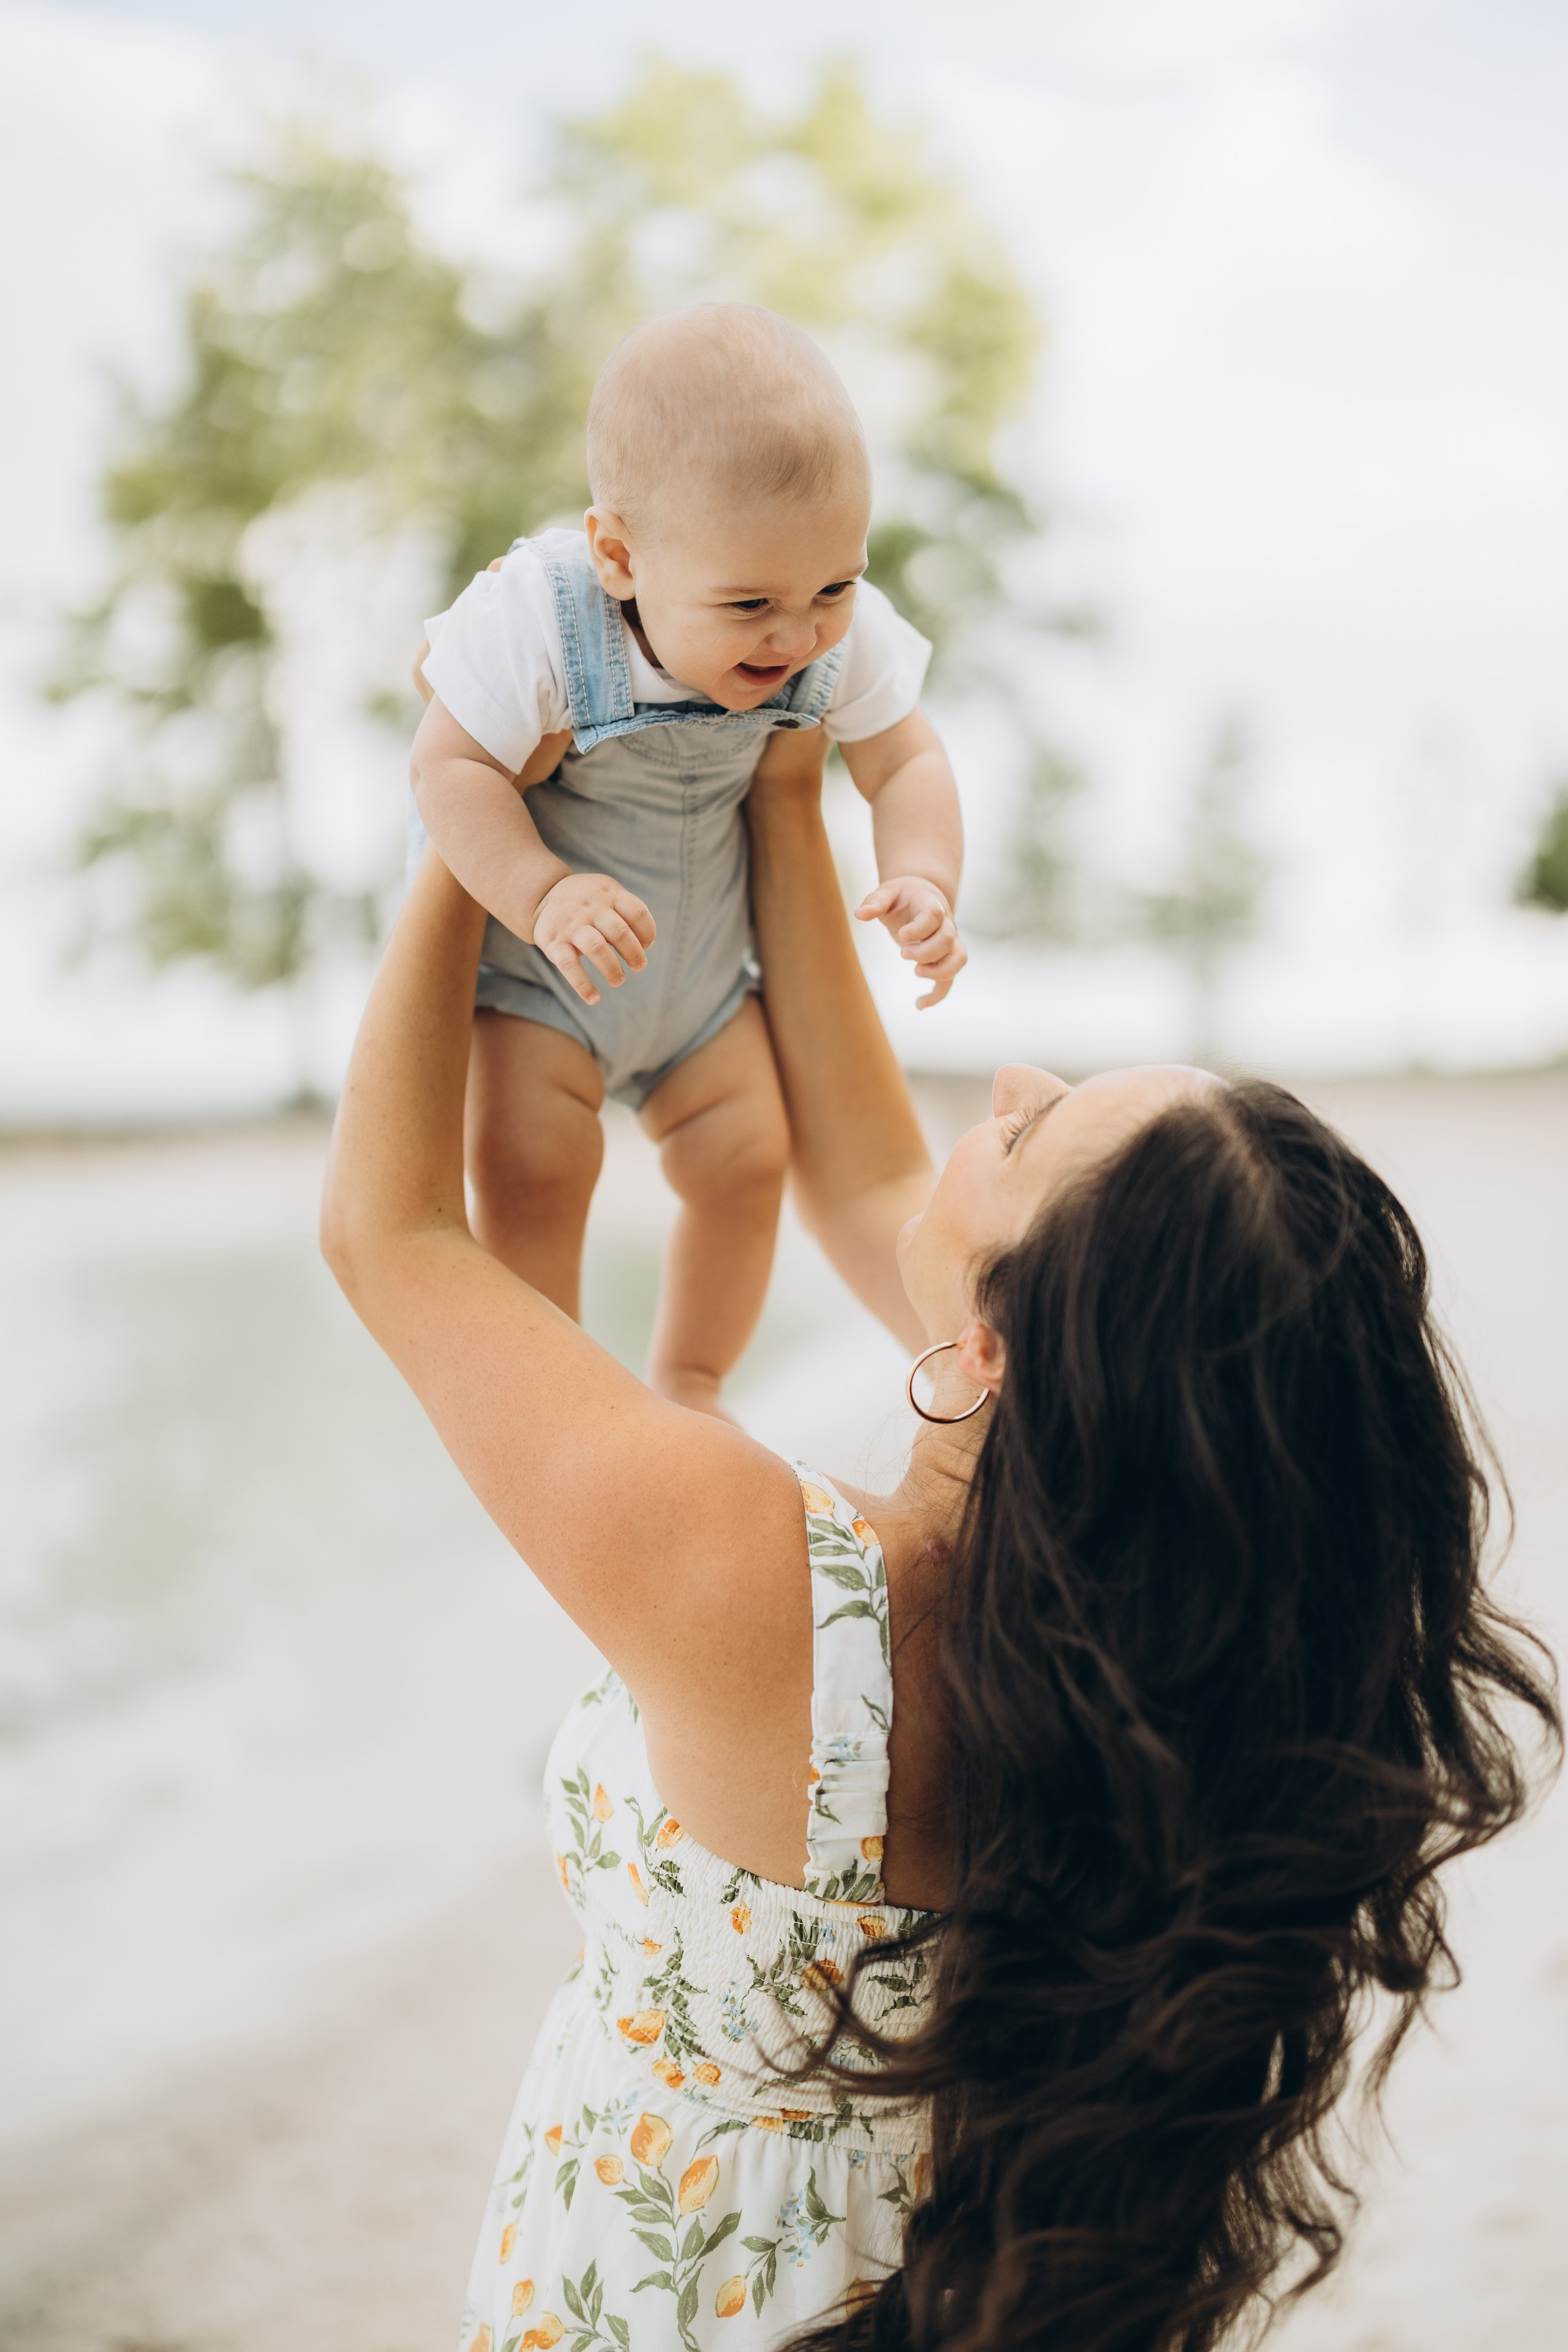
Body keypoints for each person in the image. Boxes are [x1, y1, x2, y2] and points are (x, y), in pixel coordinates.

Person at [320, 737, 1557, 2352]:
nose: (1012, 1084)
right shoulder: (1168, 1671)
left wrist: (466, 807)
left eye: (1036, 1136)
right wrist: (780, 800)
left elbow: (391, 1230)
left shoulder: (759, 1576)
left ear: (994, 1352)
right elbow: (879, 1170)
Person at [408, 303, 965, 1418]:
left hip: (705, 986)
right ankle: (555, 1400)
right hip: (547, 982)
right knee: (530, 1165)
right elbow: (448, 771)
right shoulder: (542, 619)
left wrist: (925, 876)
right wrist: (542, 890)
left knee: (749, 1158)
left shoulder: (820, 626)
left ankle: (692, 1379)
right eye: (750, 604)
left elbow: (908, 763)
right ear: (619, 556)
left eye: (834, 589)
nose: (797, 636)